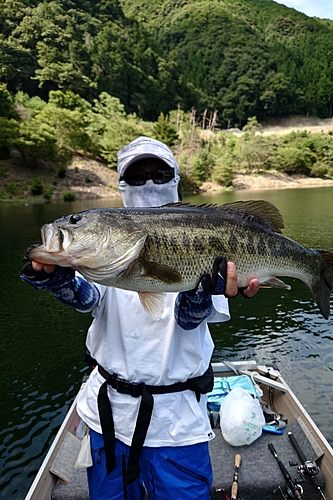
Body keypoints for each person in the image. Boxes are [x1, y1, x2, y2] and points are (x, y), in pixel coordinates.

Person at [20, 136, 259, 500]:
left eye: (159, 173)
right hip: (107, 417)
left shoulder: (205, 235)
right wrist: (56, 279)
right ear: (121, 185)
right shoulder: (102, 253)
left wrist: (197, 293)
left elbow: (190, 319)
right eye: (137, 176)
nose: (149, 183)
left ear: (174, 178)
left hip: (177, 422)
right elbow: (87, 299)